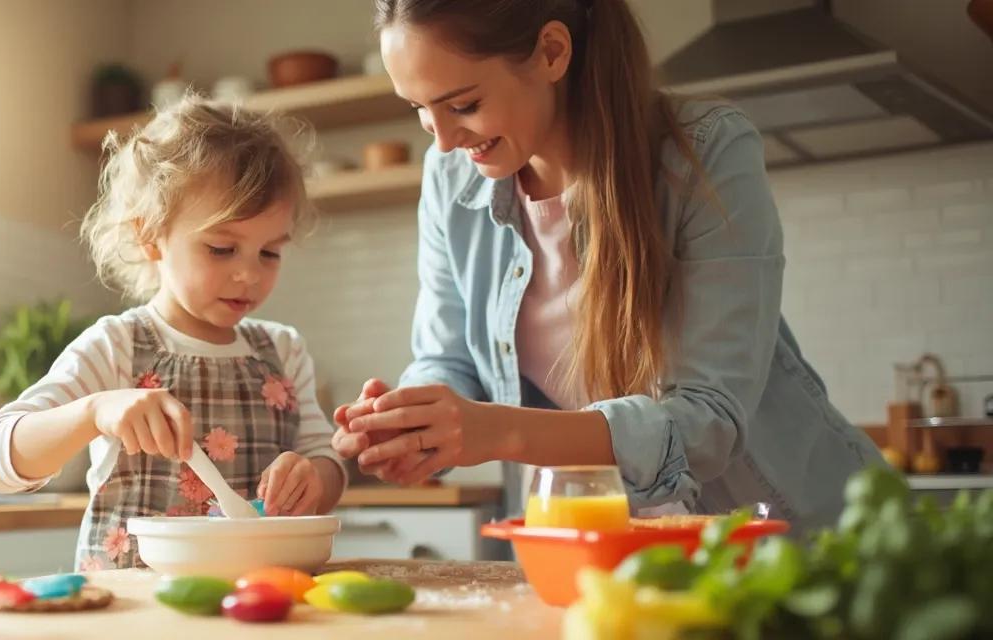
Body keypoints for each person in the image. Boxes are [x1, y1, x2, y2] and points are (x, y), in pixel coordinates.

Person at [332, 0, 881, 533]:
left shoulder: (706, 149)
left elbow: (708, 421)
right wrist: (409, 421)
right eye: (419, 111)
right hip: (605, 550)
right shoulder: (450, 178)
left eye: (464, 105)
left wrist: (497, 431)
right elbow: (448, 359)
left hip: (789, 541)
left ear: (551, 52)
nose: (445, 141)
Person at [0, 96, 346, 570]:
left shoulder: (283, 351)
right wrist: (96, 410)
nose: (249, 276)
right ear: (150, 235)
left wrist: (314, 477)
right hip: (134, 614)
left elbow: (328, 459)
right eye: (221, 249)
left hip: (254, 607)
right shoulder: (116, 347)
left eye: (269, 253)